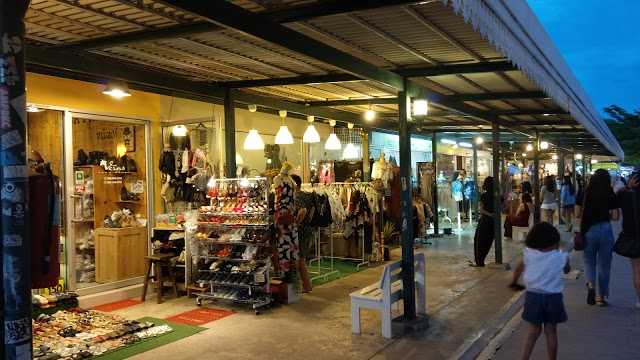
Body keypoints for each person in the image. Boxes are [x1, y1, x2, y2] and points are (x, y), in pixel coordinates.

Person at [509, 222, 571, 360]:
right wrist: (562, 253)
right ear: (554, 241)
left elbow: (519, 268)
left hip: (533, 296)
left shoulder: (529, 254)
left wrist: (514, 282)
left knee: (532, 331)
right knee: (551, 332)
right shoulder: (560, 256)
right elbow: (567, 269)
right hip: (553, 297)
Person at [577, 169, 619, 306]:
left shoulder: (584, 192)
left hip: (588, 231)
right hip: (605, 230)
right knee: (604, 265)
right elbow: (615, 216)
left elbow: (577, 213)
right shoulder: (610, 193)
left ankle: (591, 287)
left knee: (589, 262)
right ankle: (601, 297)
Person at [615, 171, 640, 309]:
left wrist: (628, 187)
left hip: (632, 236)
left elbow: (614, 200)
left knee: (637, 270)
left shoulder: (625, 195)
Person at [291, 174, 313, 293]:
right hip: (307, 229)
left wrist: (297, 223)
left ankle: (306, 286)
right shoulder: (306, 194)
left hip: (301, 231)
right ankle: (306, 285)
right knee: (301, 258)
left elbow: (303, 210)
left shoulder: (297, 196)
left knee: (300, 259)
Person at [471, 177, 495, 267]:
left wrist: (489, 214)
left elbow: (481, 210)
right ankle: (481, 260)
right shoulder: (497, 196)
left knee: (479, 240)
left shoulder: (484, 196)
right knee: (488, 241)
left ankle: (479, 261)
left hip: (485, 221)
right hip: (493, 222)